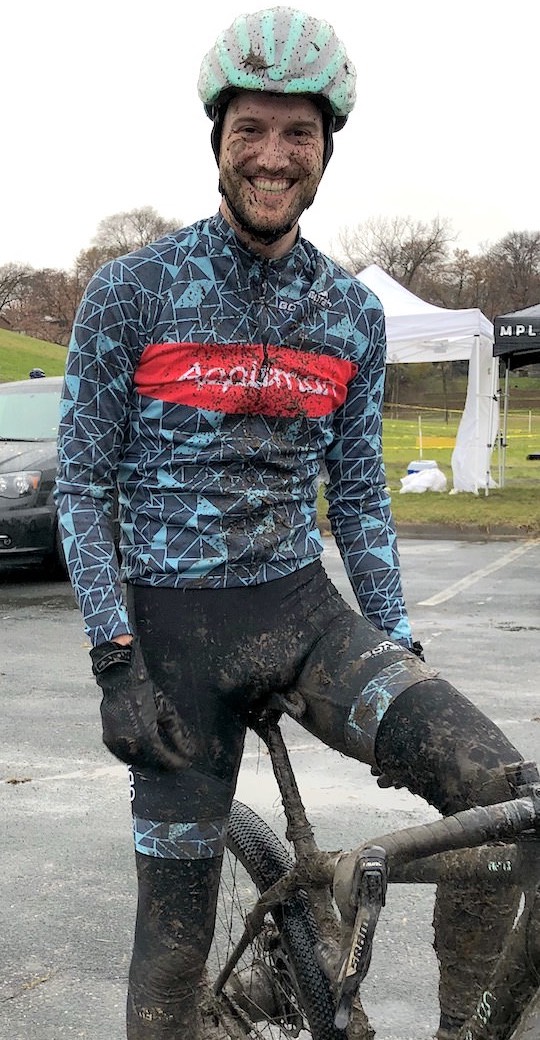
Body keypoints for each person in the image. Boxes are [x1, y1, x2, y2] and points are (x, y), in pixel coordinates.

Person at [55, 7, 525, 1038]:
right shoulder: (131, 291)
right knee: (166, 977)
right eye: (250, 131)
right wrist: (114, 659)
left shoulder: (350, 314)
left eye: (297, 135)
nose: (272, 157)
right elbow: (82, 485)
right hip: (173, 644)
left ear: (325, 150)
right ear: (217, 141)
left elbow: (357, 492)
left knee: (507, 803)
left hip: (305, 618)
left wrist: (395, 630)